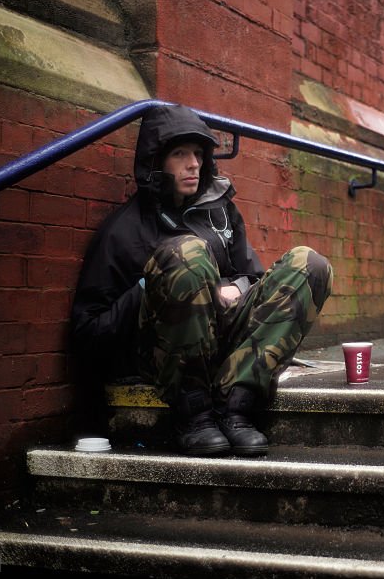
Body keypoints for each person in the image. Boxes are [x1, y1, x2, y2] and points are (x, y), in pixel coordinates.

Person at [71, 104, 333, 456]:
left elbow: (253, 276)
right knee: (186, 254)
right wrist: (153, 285)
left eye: (198, 153)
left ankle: (236, 404)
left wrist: (236, 288)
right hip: (164, 357)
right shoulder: (123, 231)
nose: (193, 163)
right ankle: (194, 415)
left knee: (310, 265)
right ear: (156, 161)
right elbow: (88, 332)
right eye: (179, 154)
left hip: (223, 341)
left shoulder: (219, 210)